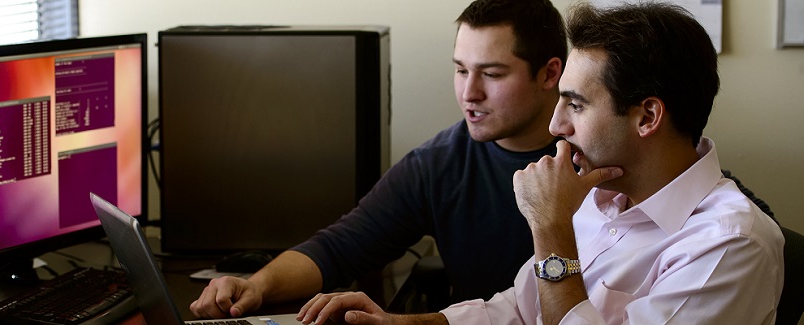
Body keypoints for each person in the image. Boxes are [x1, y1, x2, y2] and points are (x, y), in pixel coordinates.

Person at [296, 2, 785, 324]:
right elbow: (520, 309)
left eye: (574, 104)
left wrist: (552, 229)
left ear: (647, 116)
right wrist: (402, 323)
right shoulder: (603, 193)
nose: (556, 126)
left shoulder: (730, 244)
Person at [189, 0, 567, 319]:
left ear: (550, 73)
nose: (469, 92)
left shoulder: (602, 165)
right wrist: (255, 285)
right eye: (461, 70)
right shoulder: (439, 163)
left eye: (492, 74)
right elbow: (340, 248)